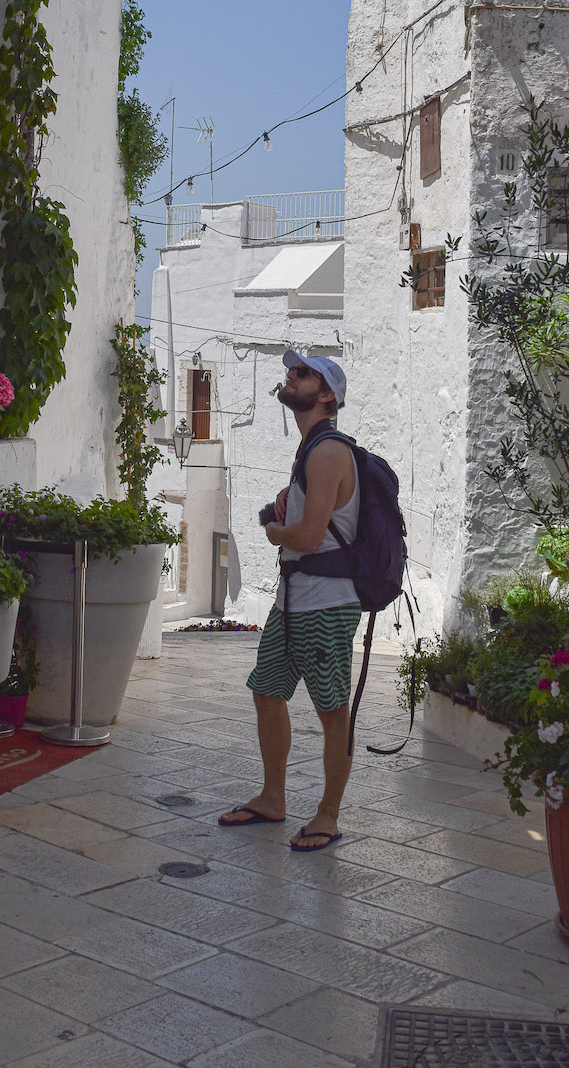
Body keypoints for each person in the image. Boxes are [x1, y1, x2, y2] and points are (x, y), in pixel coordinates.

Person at [219, 349, 361, 851]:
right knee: (267, 690)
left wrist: (274, 530)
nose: (290, 376)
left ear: (326, 395)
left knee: (331, 711)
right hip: (295, 598)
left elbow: (307, 535)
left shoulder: (327, 451)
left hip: (325, 601)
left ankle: (327, 814)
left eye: (302, 373)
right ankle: (273, 798)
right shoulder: (311, 451)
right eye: (292, 370)